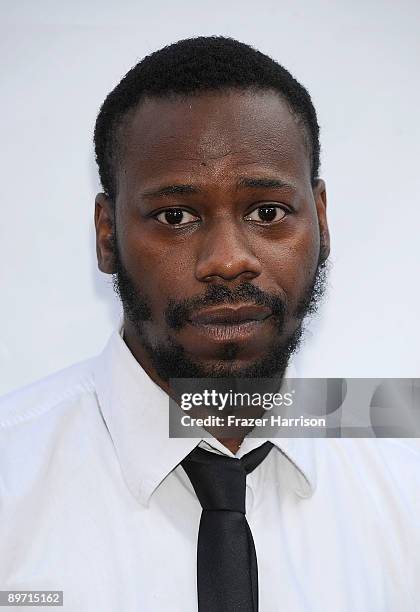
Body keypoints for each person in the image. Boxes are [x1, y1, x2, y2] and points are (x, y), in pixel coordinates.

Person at [0, 36, 419, 612]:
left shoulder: (406, 479)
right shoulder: (10, 478)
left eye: (267, 212)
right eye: (176, 216)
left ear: (320, 219)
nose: (227, 259)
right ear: (106, 233)